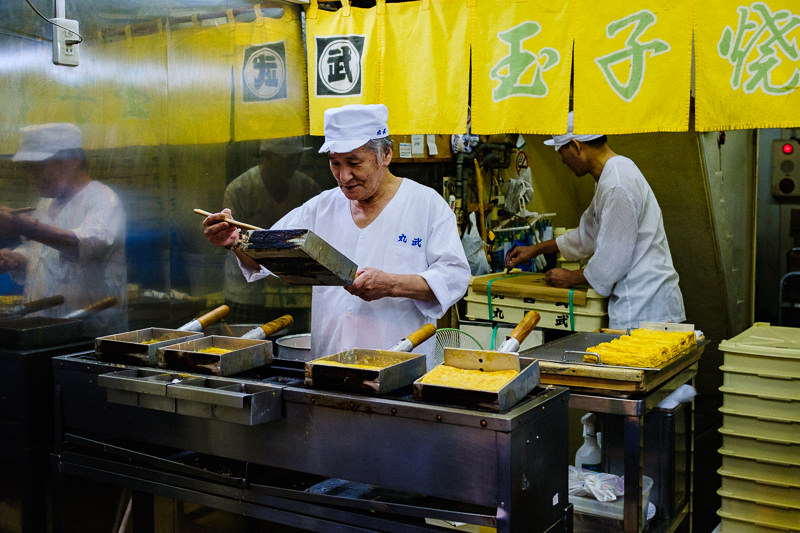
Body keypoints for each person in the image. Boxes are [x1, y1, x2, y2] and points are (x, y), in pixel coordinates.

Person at [203, 104, 470, 367]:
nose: (344, 176)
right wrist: (236, 242)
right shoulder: (321, 207)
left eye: (354, 163)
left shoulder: (425, 205)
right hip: (327, 367)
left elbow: (454, 276)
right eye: (335, 163)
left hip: (400, 370)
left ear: (385, 154)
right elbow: (265, 259)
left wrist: (391, 284)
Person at [505, 111, 685, 330]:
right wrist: (535, 250)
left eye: (562, 151)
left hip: (646, 307)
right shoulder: (610, 177)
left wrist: (571, 278)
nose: (562, 160)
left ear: (576, 146)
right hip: (638, 305)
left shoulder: (618, 184)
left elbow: (612, 259)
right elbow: (587, 234)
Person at [0, 123, 127, 336]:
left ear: (73, 161)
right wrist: (17, 259)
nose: (33, 178)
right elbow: (42, 254)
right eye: (29, 170)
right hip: (45, 328)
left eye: (40, 168)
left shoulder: (103, 199)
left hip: (88, 333)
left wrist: (23, 225)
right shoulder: (46, 203)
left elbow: (89, 246)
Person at [222, 136, 321, 332]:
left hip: (295, 293)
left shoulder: (307, 189)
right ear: (266, 156)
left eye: (294, 158)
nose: (289, 165)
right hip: (248, 293)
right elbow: (232, 236)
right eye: (282, 159)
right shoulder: (240, 189)